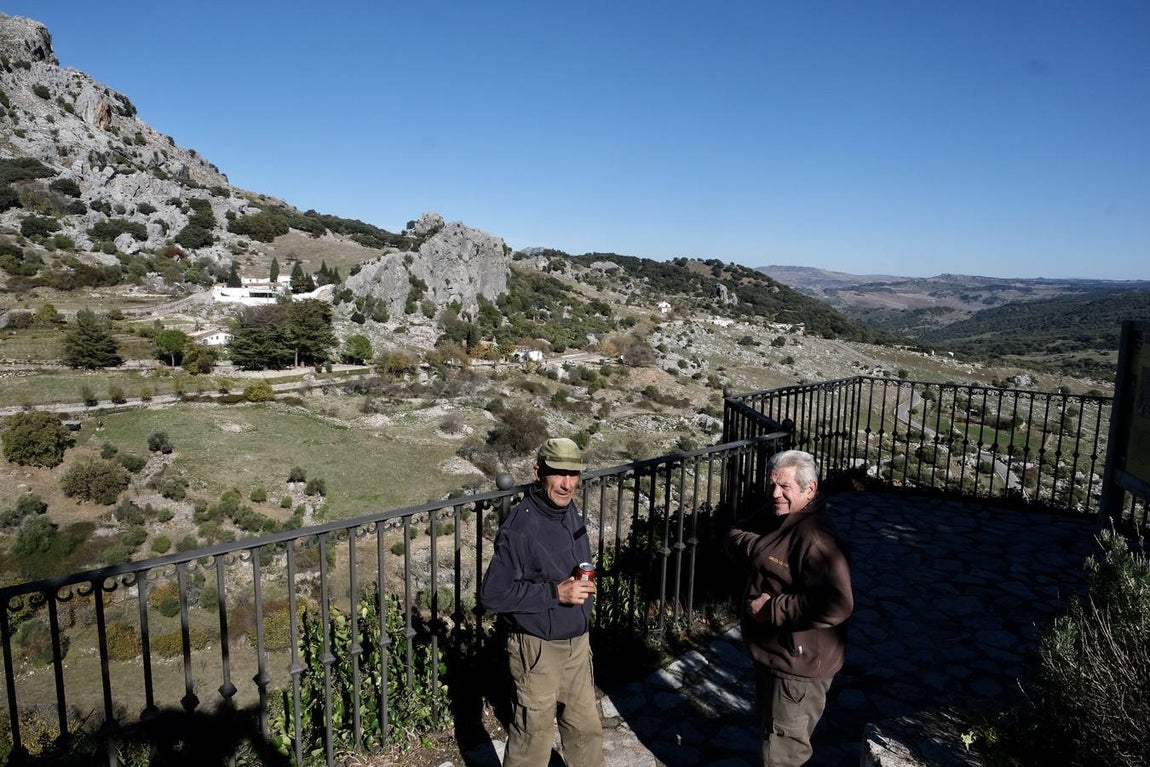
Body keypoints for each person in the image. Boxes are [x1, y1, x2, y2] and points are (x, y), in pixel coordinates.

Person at [480, 437, 605, 767]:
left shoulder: (568, 509)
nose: (567, 484)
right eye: (558, 474)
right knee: (532, 742)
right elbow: (492, 594)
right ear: (539, 472)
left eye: (573, 475)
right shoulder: (520, 527)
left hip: (577, 644)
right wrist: (556, 593)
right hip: (538, 651)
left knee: (586, 731)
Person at [725, 449, 853, 766]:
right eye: (772, 485)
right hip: (776, 656)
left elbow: (836, 603)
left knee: (783, 754)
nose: (774, 494)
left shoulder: (816, 539)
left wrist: (773, 609)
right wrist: (761, 550)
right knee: (772, 737)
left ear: (810, 489)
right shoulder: (779, 516)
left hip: (798, 667)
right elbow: (735, 534)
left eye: (785, 487)